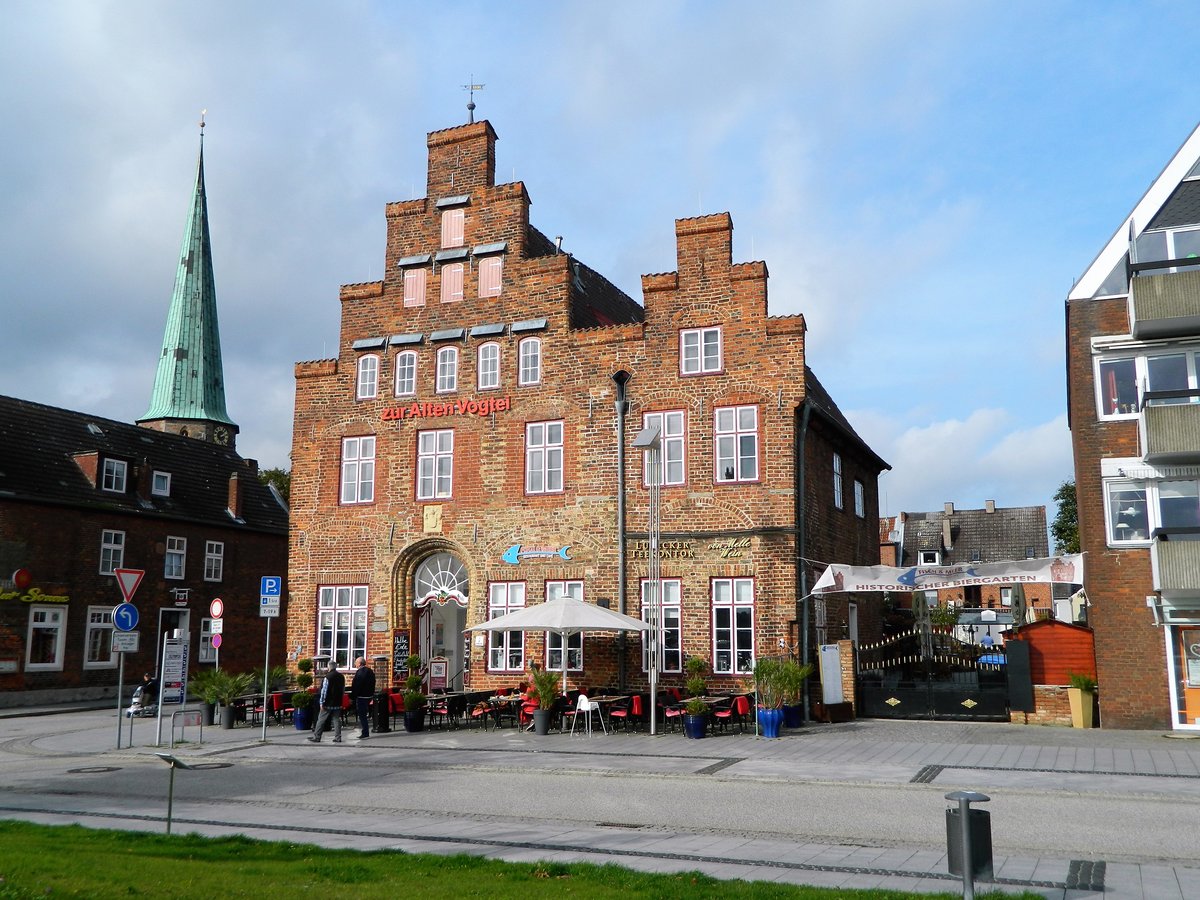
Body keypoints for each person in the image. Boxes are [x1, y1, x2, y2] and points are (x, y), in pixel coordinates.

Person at [308, 660, 345, 743]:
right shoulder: (341, 676)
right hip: (337, 701)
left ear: (329, 667)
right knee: (336, 720)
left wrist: (321, 702)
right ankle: (338, 737)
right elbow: (343, 689)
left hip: (328, 702)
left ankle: (317, 737)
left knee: (321, 719)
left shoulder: (328, 677)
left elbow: (324, 691)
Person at [349, 656, 376, 740]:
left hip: (361, 697)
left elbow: (356, 686)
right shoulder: (370, 671)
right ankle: (366, 731)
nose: (355, 664)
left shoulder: (360, 672)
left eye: (356, 662)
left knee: (362, 715)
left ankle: (365, 732)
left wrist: (352, 697)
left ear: (360, 663)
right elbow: (373, 683)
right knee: (365, 714)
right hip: (369, 696)